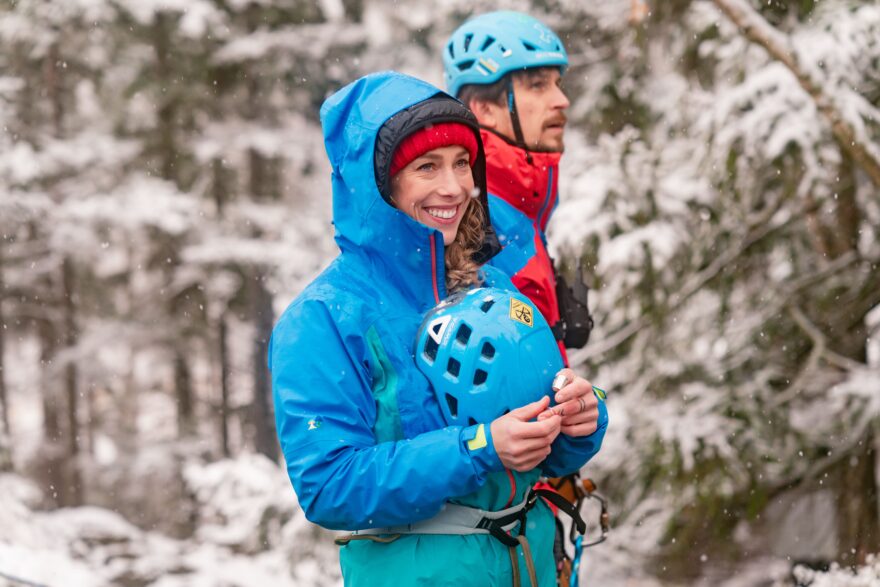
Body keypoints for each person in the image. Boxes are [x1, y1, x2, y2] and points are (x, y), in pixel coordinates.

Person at [270, 71, 608, 586]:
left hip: (531, 564)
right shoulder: (323, 318)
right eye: (426, 167)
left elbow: (543, 449)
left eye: (462, 163)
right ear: (377, 185)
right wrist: (477, 449)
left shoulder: (492, 285)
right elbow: (329, 485)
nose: (453, 187)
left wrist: (579, 419)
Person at [443, 11, 594, 365]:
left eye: (557, 83)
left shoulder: (518, 209)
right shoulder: (471, 222)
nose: (561, 100)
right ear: (485, 110)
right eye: (538, 85)